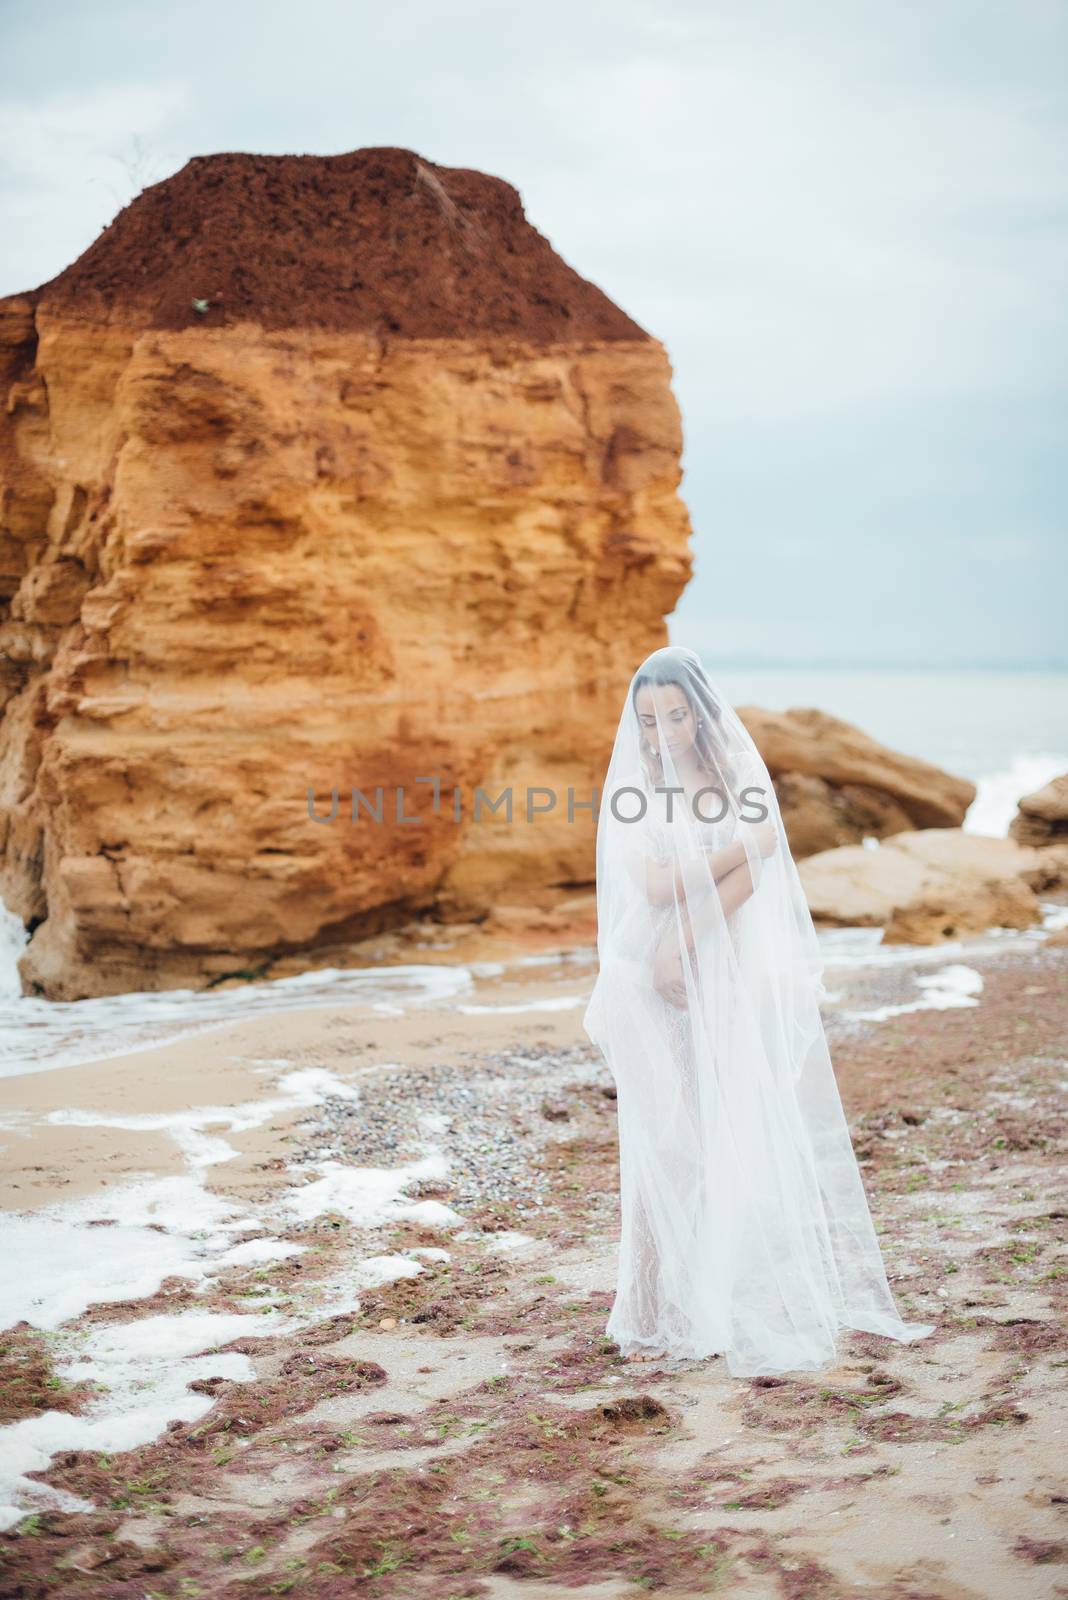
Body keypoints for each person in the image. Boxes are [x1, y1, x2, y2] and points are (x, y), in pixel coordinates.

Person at [582, 644, 932, 1376]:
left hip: (710, 973)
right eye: (649, 720)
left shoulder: (738, 776)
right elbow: (650, 885)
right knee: (662, 1143)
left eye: (676, 715)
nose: (663, 731)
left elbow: (758, 869)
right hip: (640, 982)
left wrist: (686, 934)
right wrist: (732, 856)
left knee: (712, 1143)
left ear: (700, 712)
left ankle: (696, 1304)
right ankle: (646, 1308)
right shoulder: (632, 791)